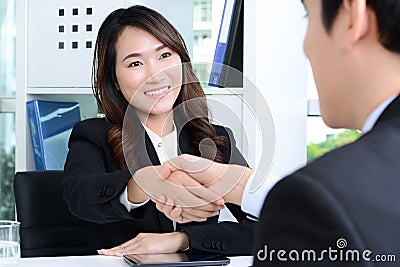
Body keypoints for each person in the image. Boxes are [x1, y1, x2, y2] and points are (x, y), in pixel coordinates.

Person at [152, 0, 400, 265]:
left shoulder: (325, 197)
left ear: (352, 17)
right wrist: (242, 186)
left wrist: (297, 199)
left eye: (308, 16)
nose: (306, 48)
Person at [63, 5, 255, 256]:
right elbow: (80, 197)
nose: (155, 75)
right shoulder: (92, 136)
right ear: (115, 82)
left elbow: (270, 226)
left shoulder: (216, 140)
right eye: (134, 63)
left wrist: (184, 239)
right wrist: (144, 183)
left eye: (164, 56)